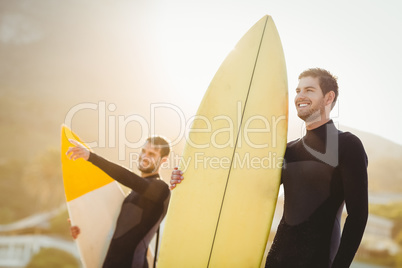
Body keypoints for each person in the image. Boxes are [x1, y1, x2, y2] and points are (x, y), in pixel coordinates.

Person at [170, 68, 368, 267]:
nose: (300, 96)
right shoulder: (288, 150)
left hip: (319, 262)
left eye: (309, 90)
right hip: (276, 260)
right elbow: (245, 187)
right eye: (298, 90)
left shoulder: (348, 145)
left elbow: (358, 216)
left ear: (328, 97)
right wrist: (189, 177)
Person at [67, 136, 171, 268]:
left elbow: (127, 178)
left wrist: (91, 157)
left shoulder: (161, 189)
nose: (144, 156)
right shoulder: (132, 194)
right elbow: (111, 226)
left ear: (163, 160)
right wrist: (82, 226)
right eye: (143, 151)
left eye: (151, 154)